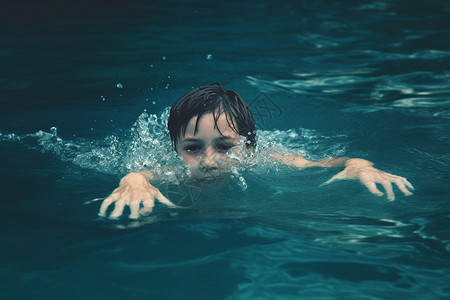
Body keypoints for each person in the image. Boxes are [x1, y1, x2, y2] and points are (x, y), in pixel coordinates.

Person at [99, 83, 414, 219]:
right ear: (175, 149)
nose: (209, 160)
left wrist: (358, 164)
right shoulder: (173, 170)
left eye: (225, 147)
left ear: (248, 147)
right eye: (193, 148)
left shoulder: (264, 162)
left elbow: (316, 163)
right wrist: (132, 181)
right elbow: (141, 174)